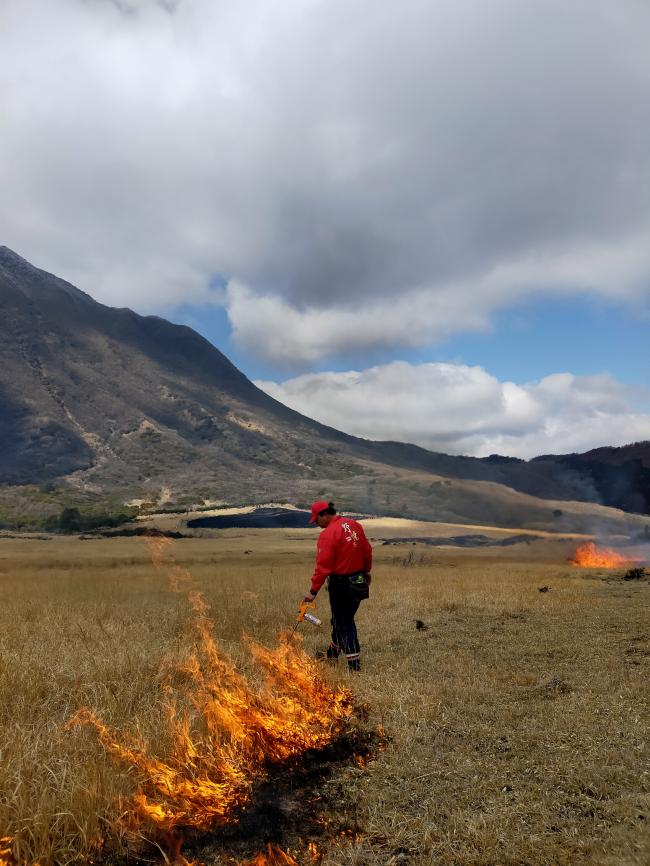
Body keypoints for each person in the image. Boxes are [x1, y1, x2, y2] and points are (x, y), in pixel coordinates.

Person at [302, 500, 372, 671]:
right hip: (359, 580)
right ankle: (332, 654)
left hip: (341, 584)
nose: (316, 524)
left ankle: (354, 667)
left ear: (324, 515)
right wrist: (366, 572)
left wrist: (312, 592)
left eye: (316, 520)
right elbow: (367, 550)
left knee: (344, 621)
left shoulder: (328, 534)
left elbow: (323, 567)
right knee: (340, 620)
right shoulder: (354, 525)